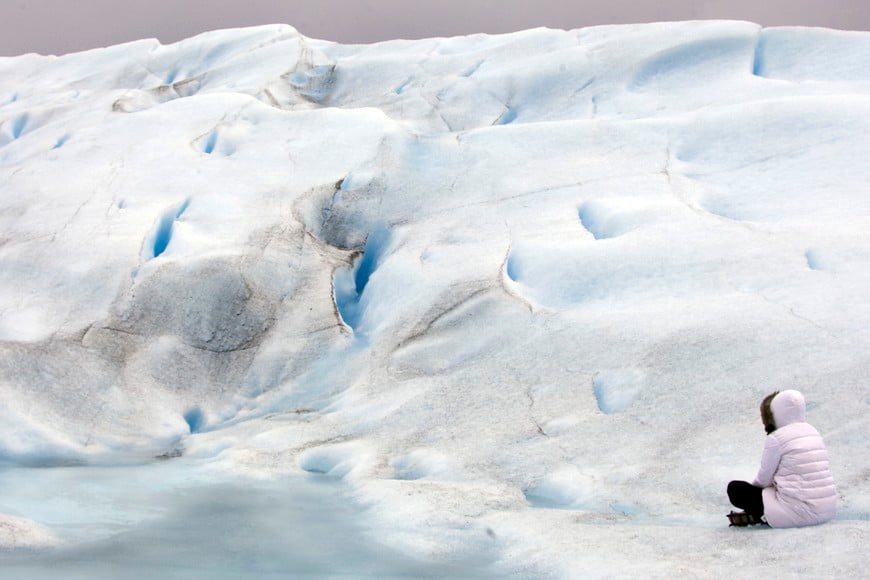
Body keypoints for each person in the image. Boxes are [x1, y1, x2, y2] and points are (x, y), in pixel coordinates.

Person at [727, 389, 837, 527]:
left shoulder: (777, 438)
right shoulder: (813, 431)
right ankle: (763, 513)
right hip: (827, 510)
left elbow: (763, 480)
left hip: (796, 515)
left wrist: (752, 497)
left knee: (736, 489)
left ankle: (761, 514)